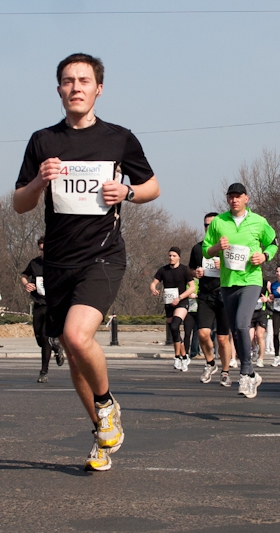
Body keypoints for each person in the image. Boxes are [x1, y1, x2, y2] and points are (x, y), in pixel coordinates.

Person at [14, 53, 161, 471]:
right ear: (59, 89)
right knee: (74, 352)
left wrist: (128, 193)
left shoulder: (119, 138)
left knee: (78, 337)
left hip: (102, 256)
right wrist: (40, 181)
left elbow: (152, 186)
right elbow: (19, 204)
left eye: (84, 80)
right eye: (67, 80)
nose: (75, 87)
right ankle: (102, 432)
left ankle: (106, 404)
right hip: (58, 262)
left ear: (98, 88)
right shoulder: (43, 141)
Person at [203, 183, 278, 399]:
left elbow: (273, 243)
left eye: (238, 196)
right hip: (228, 282)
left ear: (247, 198)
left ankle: (245, 372)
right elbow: (206, 251)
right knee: (237, 329)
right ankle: (252, 374)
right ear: (227, 199)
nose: (234, 200)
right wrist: (217, 247)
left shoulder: (258, 222)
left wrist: (264, 256)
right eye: (231, 197)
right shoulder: (218, 222)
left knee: (242, 323)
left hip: (252, 280)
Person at [190, 213, 234, 387]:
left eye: (212, 224)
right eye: (206, 225)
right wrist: (196, 273)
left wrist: (224, 265)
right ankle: (210, 363)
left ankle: (225, 372)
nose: (208, 227)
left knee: (223, 339)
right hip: (205, 295)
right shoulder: (197, 248)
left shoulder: (229, 247)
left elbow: (241, 270)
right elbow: (191, 269)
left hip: (224, 294)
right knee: (202, 333)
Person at [21, 237, 64, 383]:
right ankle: (56, 348)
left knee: (45, 339)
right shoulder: (35, 263)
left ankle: (43, 372)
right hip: (38, 304)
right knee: (39, 338)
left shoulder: (57, 263)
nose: (43, 252)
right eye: (41, 249)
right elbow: (24, 275)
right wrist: (27, 284)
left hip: (52, 305)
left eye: (46, 249)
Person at [150, 247, 196, 372]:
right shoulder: (163, 270)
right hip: (168, 303)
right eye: (170, 255)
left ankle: (177, 357)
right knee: (174, 332)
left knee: (175, 326)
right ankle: (183, 356)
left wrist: (180, 297)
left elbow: (192, 287)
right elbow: (154, 283)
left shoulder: (184, 270)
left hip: (181, 302)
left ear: (179, 257)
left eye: (174, 255)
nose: (171, 258)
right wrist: (154, 289)